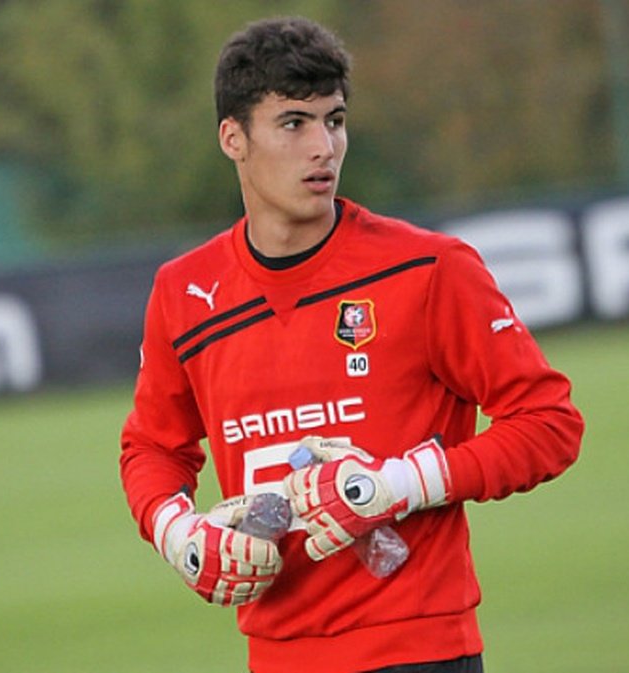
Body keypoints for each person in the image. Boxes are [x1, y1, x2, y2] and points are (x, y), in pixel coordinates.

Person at [119, 16, 584, 673]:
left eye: (334, 120)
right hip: (278, 656)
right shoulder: (184, 292)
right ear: (233, 138)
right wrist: (179, 533)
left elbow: (549, 423)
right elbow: (152, 445)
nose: (324, 147)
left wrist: (397, 484)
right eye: (293, 123)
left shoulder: (429, 268)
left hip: (419, 650)